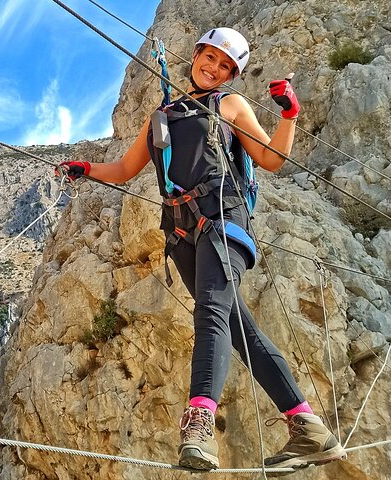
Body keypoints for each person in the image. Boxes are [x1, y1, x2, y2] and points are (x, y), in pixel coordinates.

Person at [58, 27, 345, 472]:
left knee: (211, 311)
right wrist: (86, 168)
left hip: (223, 224)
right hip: (183, 237)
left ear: (232, 75)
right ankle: (309, 429)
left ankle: (199, 423)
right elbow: (126, 168)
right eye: (209, 58)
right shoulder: (162, 113)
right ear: (196, 55)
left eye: (225, 66)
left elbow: (271, 160)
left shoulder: (227, 104)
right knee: (239, 331)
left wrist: (288, 114)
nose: (213, 69)